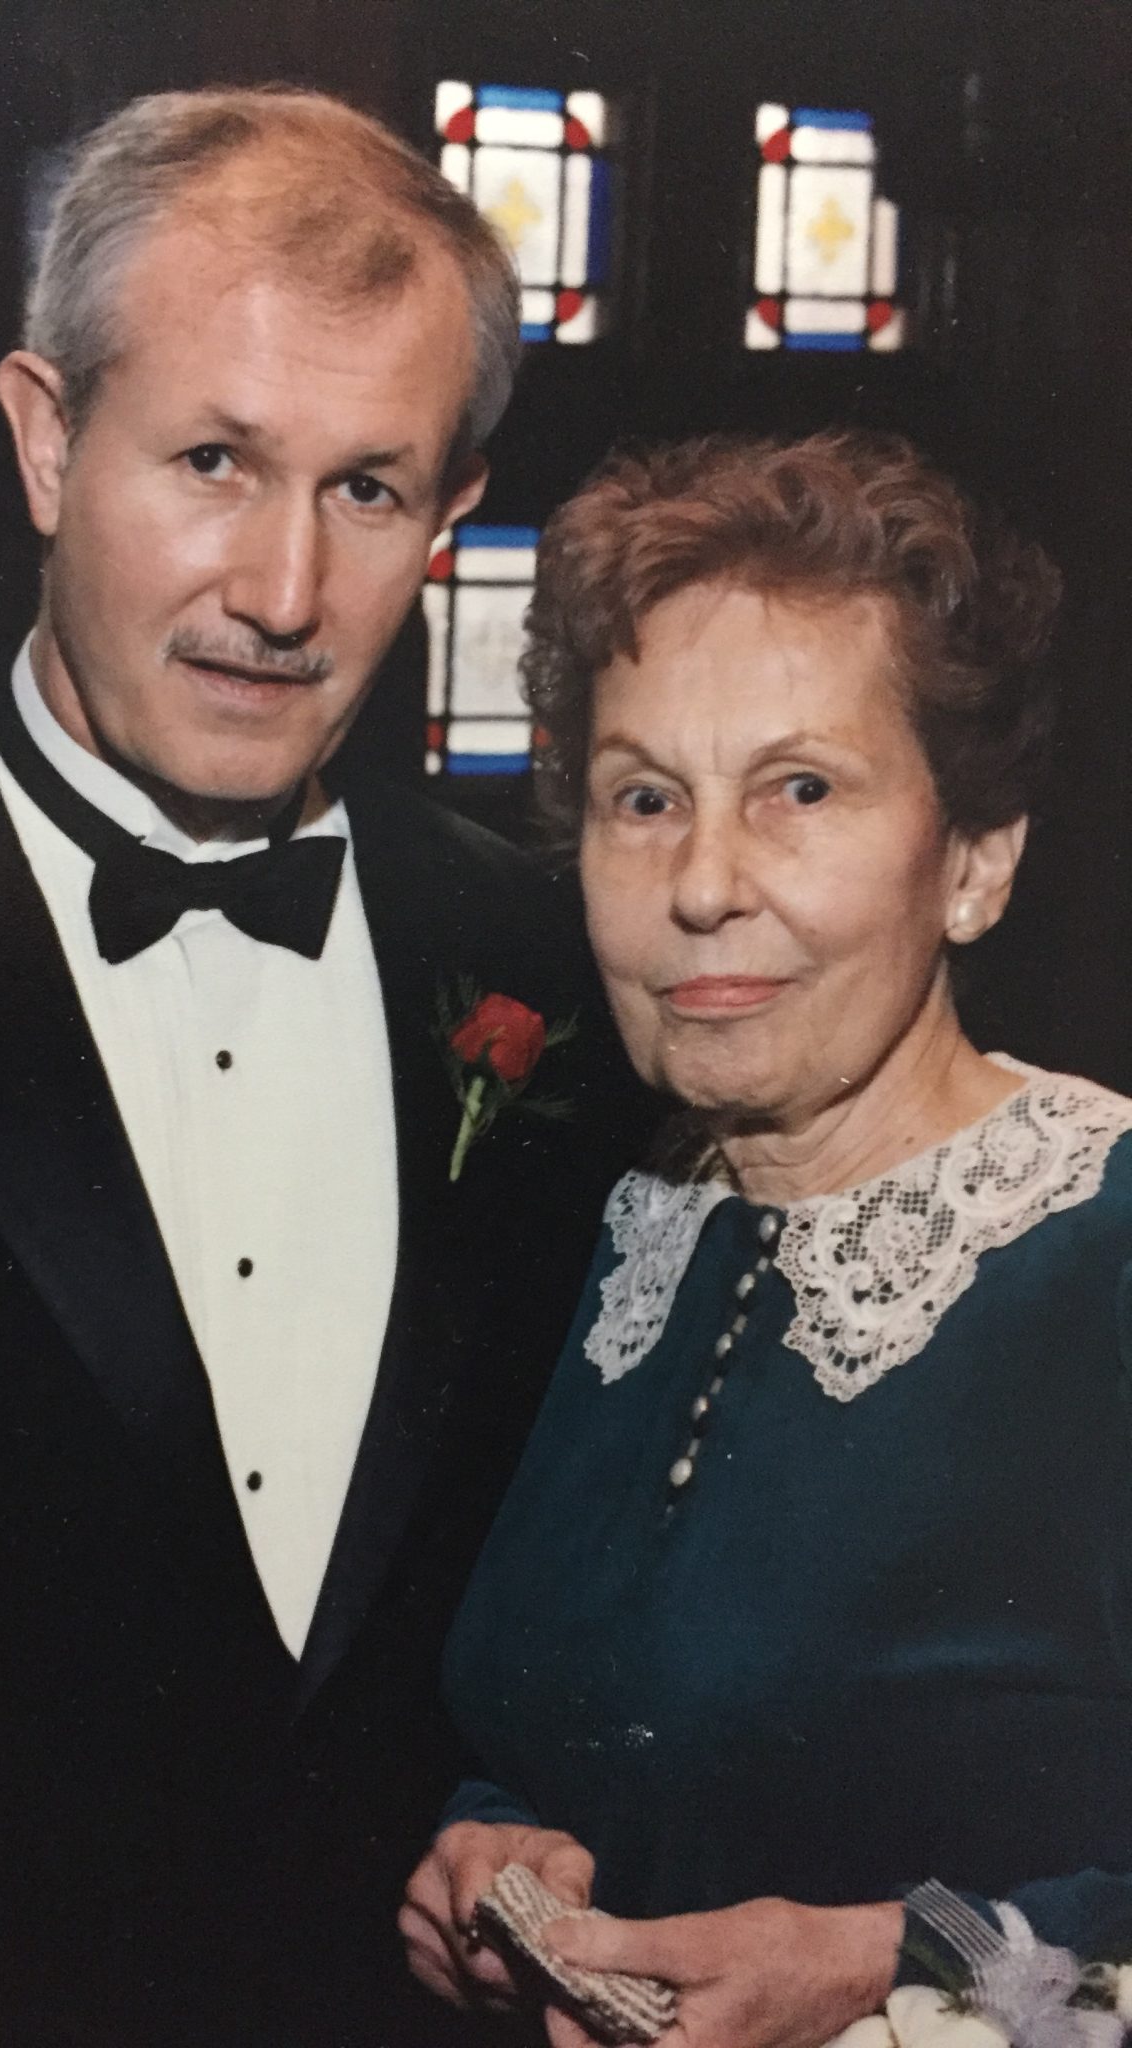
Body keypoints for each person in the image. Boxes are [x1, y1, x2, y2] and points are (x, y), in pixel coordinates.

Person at [0, 90, 643, 2046]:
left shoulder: (553, 962)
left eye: (367, 490)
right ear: (46, 438)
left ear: (452, 515)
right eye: (214, 461)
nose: (281, 591)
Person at [401, 431, 1132, 2048]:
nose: (704, 885)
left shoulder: (1109, 1254)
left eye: (801, 789)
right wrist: (494, 1844)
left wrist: (899, 1966)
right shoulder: (626, 1236)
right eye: (644, 798)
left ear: (976, 861)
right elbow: (585, 1722)